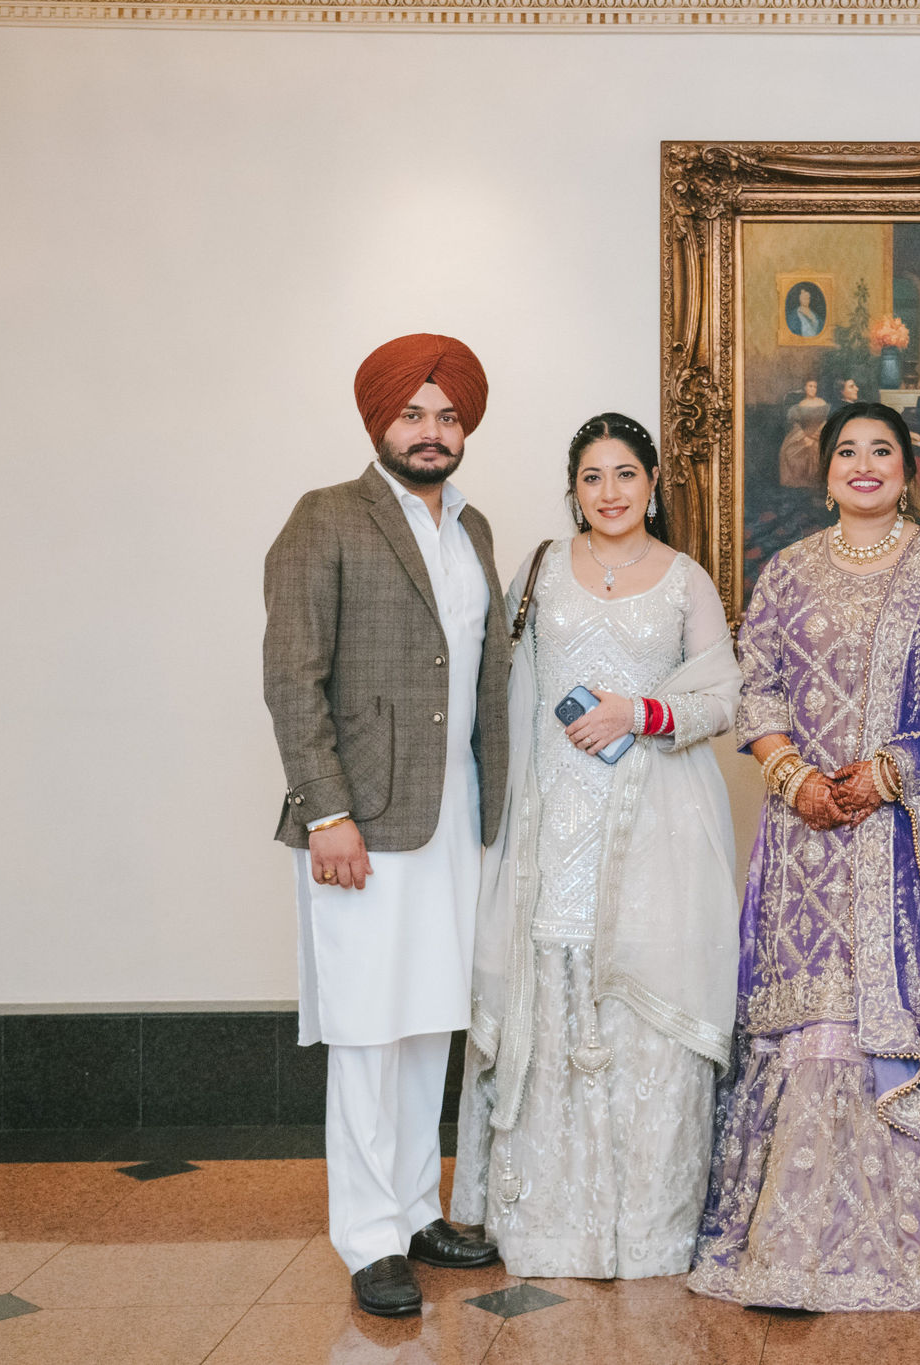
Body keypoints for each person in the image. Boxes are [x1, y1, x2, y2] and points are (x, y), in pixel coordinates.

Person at [690, 402, 920, 1310]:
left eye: (883, 451)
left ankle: (916, 1228)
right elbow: (758, 685)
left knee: (888, 1011)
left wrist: (890, 770)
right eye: (848, 453)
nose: (864, 464)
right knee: (812, 1015)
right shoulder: (787, 569)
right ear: (826, 474)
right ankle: (787, 1231)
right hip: (804, 837)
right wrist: (793, 777)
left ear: (908, 470)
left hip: (903, 837)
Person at [453, 413, 742, 1280]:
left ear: (652, 484)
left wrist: (639, 712)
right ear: (573, 490)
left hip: (655, 828)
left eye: (625, 474)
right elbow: (491, 681)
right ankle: (547, 1226)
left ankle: (648, 1231)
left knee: (645, 1007)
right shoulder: (540, 570)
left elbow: (723, 696)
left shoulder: (685, 578)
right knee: (550, 993)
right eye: (591, 476)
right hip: (550, 828)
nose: (609, 491)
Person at [262, 333, 505, 1317]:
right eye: (413, 414)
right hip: (359, 823)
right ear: (379, 422)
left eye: (446, 416)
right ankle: (367, 1238)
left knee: (427, 1017)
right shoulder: (325, 517)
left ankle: (414, 1210)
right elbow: (292, 678)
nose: (431, 431)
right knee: (368, 1027)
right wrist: (326, 812)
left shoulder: (474, 527)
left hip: (455, 818)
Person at [777, 378, 831, 487]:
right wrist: (804, 437)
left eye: (815, 387)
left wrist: (815, 437)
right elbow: (795, 424)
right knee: (789, 451)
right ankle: (801, 485)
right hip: (803, 434)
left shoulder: (822, 403)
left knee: (818, 450)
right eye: (810, 386)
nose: (813, 389)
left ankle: (818, 485)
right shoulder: (800, 405)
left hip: (819, 434)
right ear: (805, 388)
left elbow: (825, 422)